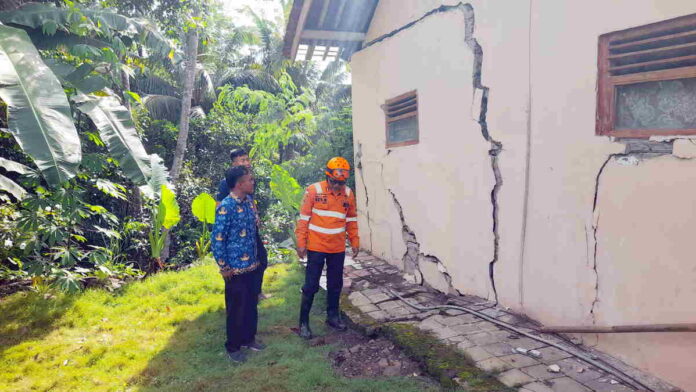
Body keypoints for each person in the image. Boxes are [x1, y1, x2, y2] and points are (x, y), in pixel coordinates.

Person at [295, 157, 360, 340]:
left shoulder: (348, 194)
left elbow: (351, 220)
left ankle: (332, 316)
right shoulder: (314, 190)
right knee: (311, 285)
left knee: (335, 283)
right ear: (327, 176)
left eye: (341, 182)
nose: (337, 186)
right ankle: (303, 323)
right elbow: (304, 219)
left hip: (337, 248)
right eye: (334, 182)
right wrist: (301, 242)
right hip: (316, 246)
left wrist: (355, 241)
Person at [212, 165, 264, 362]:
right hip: (234, 268)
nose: (253, 182)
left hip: (252, 264)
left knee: (251, 303)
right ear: (240, 184)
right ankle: (233, 347)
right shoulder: (226, 206)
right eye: (250, 180)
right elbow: (218, 239)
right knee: (236, 308)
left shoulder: (249, 202)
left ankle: (249, 339)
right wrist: (223, 266)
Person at [216, 148, 269, 302]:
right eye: (243, 160)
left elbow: (250, 200)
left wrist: (255, 216)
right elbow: (219, 205)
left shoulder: (249, 180)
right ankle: (240, 294)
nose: (247, 163)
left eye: (247, 159)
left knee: (261, 259)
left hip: (249, 227)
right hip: (234, 231)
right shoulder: (227, 184)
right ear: (234, 163)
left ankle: (255, 292)